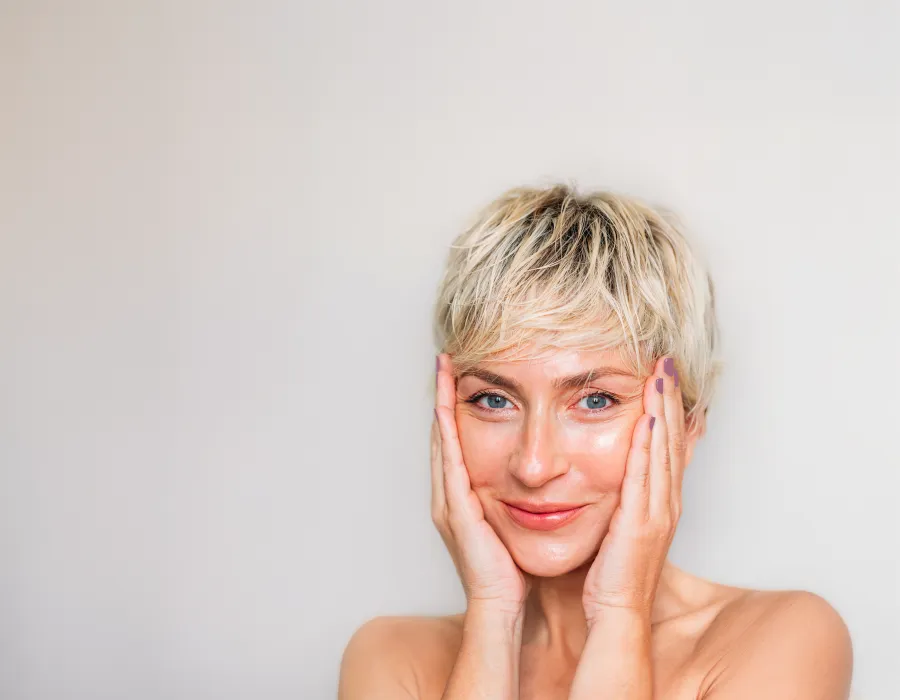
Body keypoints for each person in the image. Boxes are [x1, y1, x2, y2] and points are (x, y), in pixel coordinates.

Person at [338, 183, 853, 699]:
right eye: (494, 400)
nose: (534, 466)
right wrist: (493, 611)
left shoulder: (779, 641)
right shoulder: (391, 659)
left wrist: (620, 610)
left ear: (687, 422)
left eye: (595, 400)